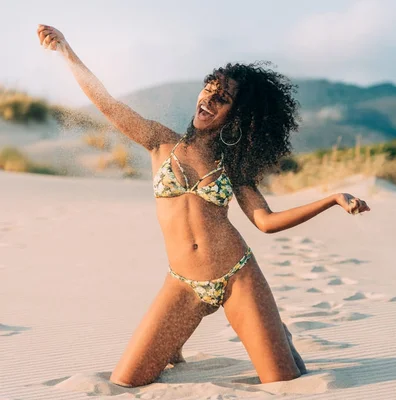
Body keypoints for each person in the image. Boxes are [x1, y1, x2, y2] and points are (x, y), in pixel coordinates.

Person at [37, 24, 371, 387]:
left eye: (221, 99)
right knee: (126, 381)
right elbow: (107, 103)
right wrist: (66, 51)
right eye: (208, 91)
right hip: (182, 284)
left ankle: (277, 334)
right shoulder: (159, 142)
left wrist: (332, 199)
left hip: (237, 277)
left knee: (283, 382)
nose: (208, 102)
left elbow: (266, 221)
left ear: (236, 115)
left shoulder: (234, 168)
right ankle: (182, 342)